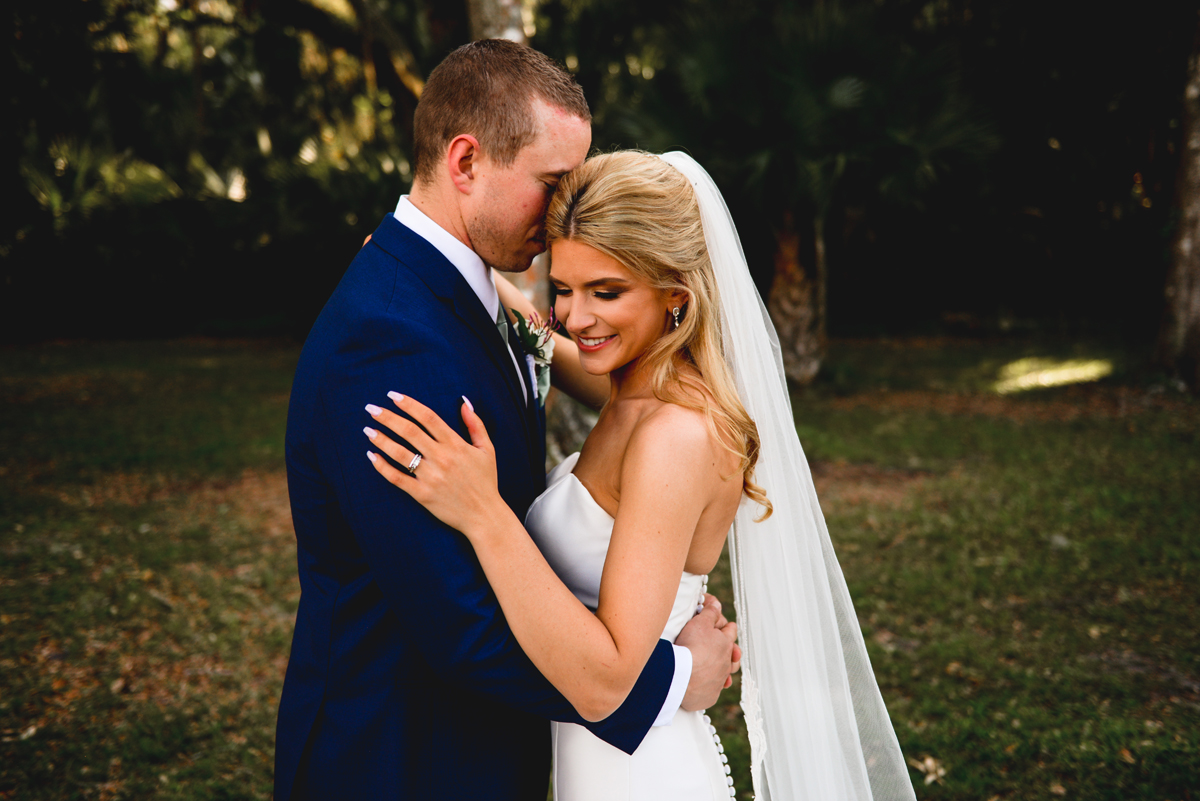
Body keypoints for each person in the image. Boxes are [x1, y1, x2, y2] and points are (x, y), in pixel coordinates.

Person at [363, 151, 920, 800]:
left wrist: (482, 512)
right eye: (565, 288)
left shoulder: (675, 437)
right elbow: (556, 346)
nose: (576, 317)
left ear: (674, 297)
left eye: (607, 292)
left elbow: (609, 675)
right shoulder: (637, 391)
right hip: (602, 760)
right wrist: (441, 274)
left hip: (641, 772)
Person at [274, 43, 739, 801]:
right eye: (554, 184)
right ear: (465, 163)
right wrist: (676, 674)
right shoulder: (389, 337)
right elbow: (461, 624)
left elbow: (594, 356)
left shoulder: (473, 291)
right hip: (407, 760)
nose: (565, 212)